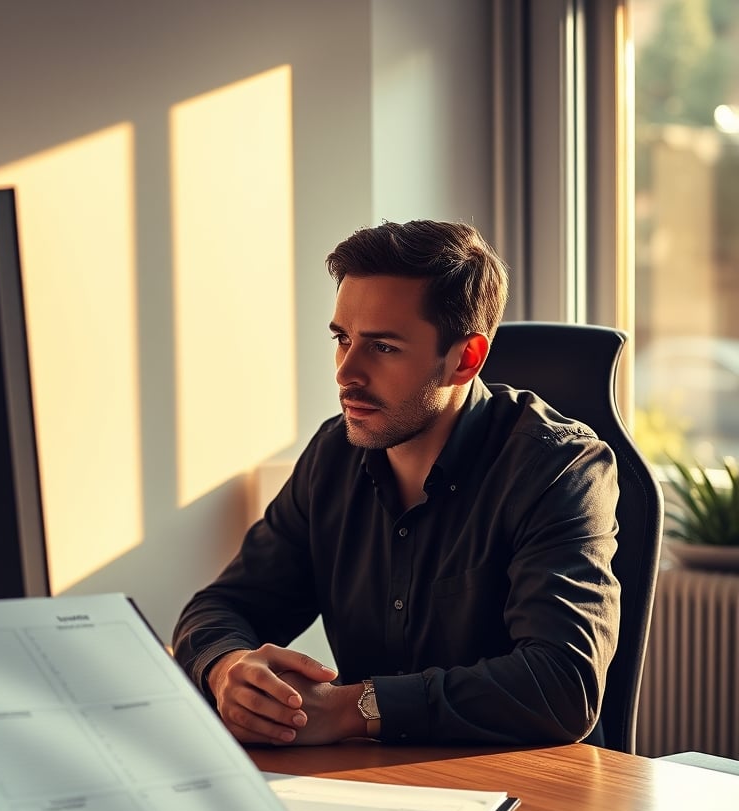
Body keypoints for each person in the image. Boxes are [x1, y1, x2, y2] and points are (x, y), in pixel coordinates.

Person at [172, 219, 621, 747]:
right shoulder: (333, 455)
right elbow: (223, 606)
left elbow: (561, 687)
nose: (346, 372)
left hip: (527, 793)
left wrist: (348, 709)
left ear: (464, 359)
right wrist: (228, 670)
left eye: (382, 348)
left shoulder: (560, 468)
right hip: (372, 789)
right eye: (342, 339)